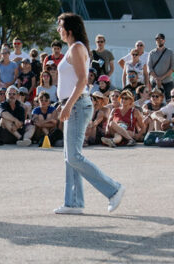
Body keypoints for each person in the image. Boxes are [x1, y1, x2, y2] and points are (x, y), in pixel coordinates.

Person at [54, 12, 124, 215]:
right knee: (70, 156)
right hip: (73, 104)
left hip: (76, 105)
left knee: (74, 156)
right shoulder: (74, 48)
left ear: (69, 30)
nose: (58, 30)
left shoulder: (76, 48)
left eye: (60, 27)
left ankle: (113, 189)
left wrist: (68, 105)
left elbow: (83, 80)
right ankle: (73, 202)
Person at [148, 33, 173, 103]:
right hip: (154, 82)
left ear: (164, 40)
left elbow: (172, 68)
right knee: (155, 101)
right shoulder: (151, 53)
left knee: (169, 101)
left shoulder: (170, 52)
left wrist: (161, 78)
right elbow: (149, 68)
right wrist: (156, 78)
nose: (159, 40)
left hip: (168, 81)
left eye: (161, 39)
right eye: (157, 39)